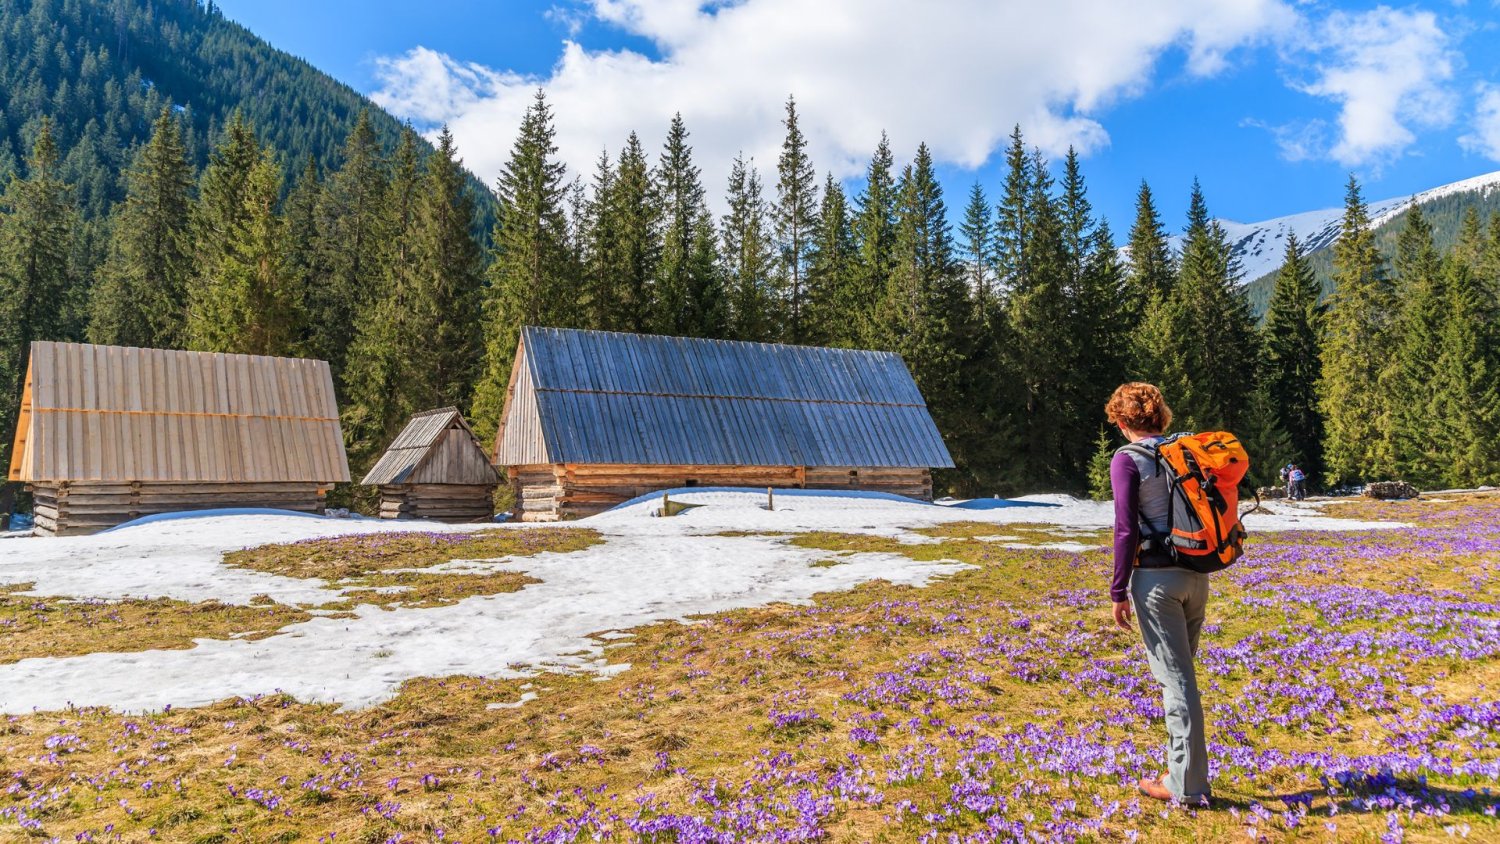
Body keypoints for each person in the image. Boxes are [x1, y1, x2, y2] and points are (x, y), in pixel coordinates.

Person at [1104, 382, 1212, 805]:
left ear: (1122, 420)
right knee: (1181, 680)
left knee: (1176, 684)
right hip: (1196, 576)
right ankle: (1179, 767)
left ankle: (1186, 785)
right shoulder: (1182, 452)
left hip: (1156, 581)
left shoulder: (1127, 459)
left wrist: (1118, 590)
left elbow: (1125, 528)